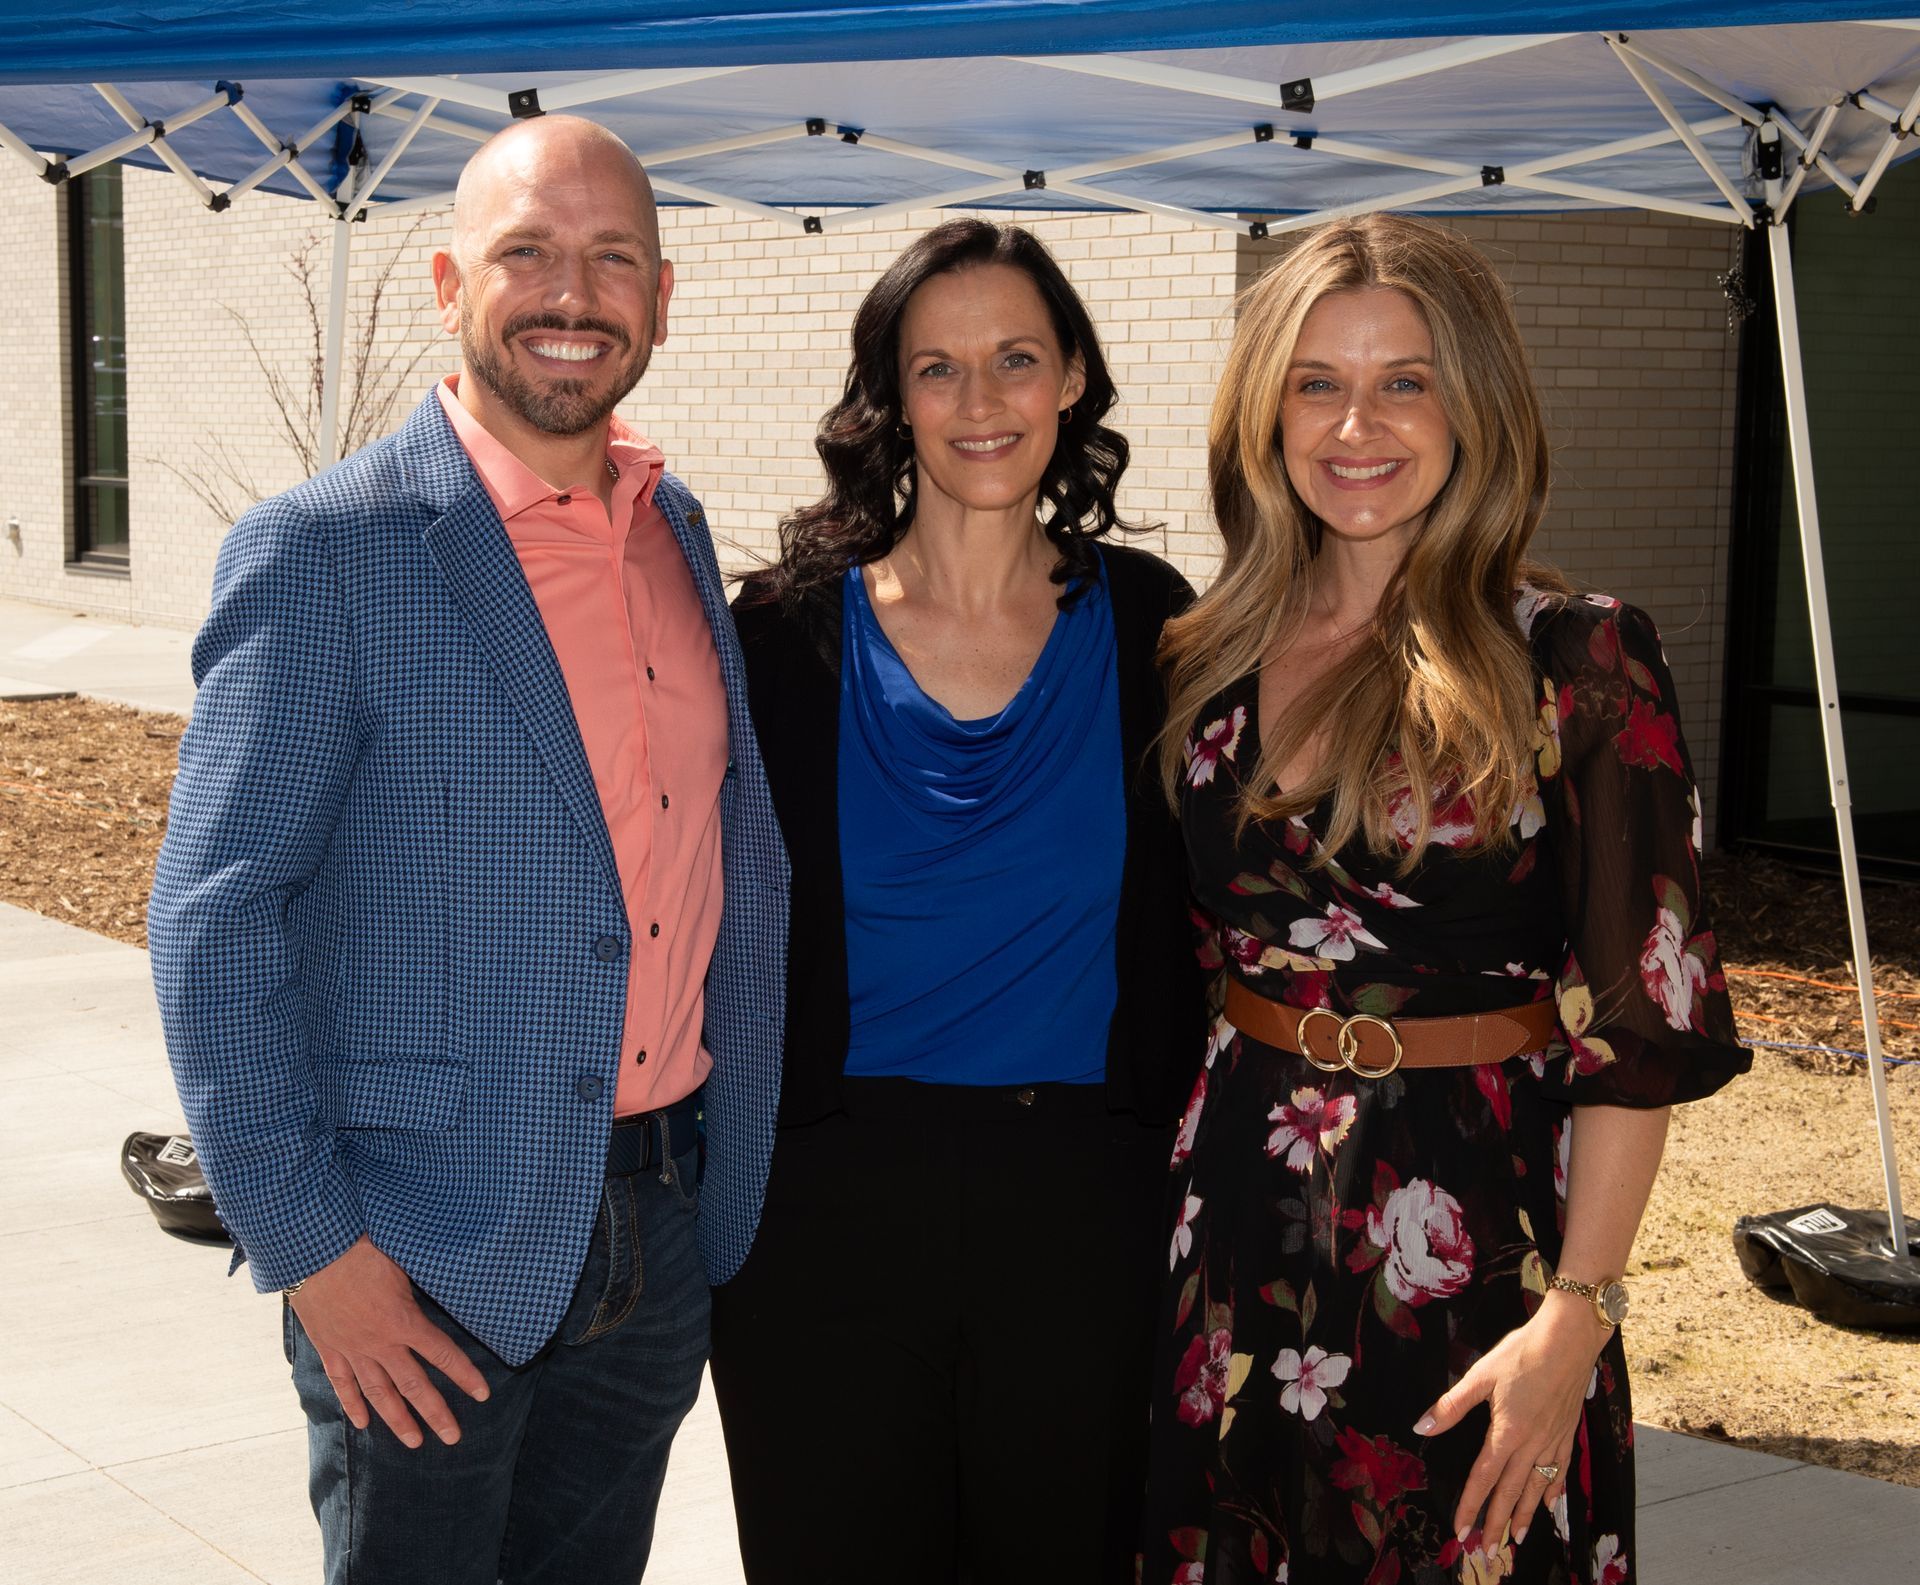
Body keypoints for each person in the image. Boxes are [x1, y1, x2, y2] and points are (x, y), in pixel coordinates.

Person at [147, 115, 786, 1585]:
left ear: (665, 296)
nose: (575, 293)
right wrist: (313, 1252)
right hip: (422, 1251)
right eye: (528, 254)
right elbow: (216, 921)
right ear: (447, 283)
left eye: (613, 257)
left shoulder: (671, 528)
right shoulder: (326, 550)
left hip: (662, 1217)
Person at [1140, 214, 1750, 1585]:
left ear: (1473, 402)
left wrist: (1576, 1314)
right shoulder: (1201, 657)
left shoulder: (1582, 663)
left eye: (1405, 378)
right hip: (1234, 1229)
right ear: (1266, 410)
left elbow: (1639, 1029)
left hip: (1478, 1254)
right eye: (1317, 381)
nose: (1358, 422)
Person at [710, 218, 1209, 1583]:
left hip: (1085, 1205)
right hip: (823, 1207)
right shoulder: (777, 637)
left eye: (1014, 359)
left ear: (1071, 382)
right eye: (938, 368)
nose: (980, 402)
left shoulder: (1159, 630)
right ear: (889, 399)